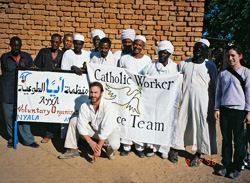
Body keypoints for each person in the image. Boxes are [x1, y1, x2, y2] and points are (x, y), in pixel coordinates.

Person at [171, 39, 217, 166]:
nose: (198, 50)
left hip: (203, 102)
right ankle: (175, 148)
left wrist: (215, 106)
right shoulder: (184, 64)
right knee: (182, 122)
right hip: (185, 100)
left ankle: (198, 153)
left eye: (201, 48)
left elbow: (214, 86)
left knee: (200, 126)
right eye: (196, 47)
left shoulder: (210, 66)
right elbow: (175, 81)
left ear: (206, 50)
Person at [58, 82, 120, 160]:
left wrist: (98, 148)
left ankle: (107, 145)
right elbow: (81, 125)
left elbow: (106, 128)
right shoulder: (84, 106)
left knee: (115, 145)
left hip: (109, 132)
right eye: (91, 92)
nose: (93, 95)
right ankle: (72, 149)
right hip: (95, 131)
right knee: (74, 120)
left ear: (101, 93)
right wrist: (91, 143)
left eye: (96, 93)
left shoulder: (108, 107)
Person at [214, 45, 250, 179]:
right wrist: (217, 108)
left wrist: (248, 112)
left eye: (233, 55)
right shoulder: (223, 73)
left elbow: (249, 94)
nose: (230, 58)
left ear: (240, 56)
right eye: (228, 55)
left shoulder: (246, 73)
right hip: (225, 111)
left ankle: (237, 167)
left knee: (239, 140)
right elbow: (218, 93)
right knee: (226, 139)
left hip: (239, 111)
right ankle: (226, 165)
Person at [140, 40, 178, 159]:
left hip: (166, 103)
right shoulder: (150, 66)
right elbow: (139, 78)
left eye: (165, 53)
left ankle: (164, 148)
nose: (162, 55)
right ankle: (150, 146)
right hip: (151, 102)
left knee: (165, 124)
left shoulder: (174, 68)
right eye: (161, 52)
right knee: (151, 123)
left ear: (169, 54)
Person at [1, 36, 39, 148]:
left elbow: (32, 71)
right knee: (8, 117)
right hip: (8, 91)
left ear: (21, 46)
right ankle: (13, 138)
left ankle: (28, 140)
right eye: (14, 45)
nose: (16, 47)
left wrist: (26, 67)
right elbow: (5, 72)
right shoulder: (4, 57)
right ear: (10, 45)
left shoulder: (26, 57)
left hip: (23, 93)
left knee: (23, 116)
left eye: (18, 45)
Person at [119, 35, 152, 158]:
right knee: (127, 118)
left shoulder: (147, 60)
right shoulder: (124, 58)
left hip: (141, 95)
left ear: (143, 47)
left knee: (139, 121)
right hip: (127, 95)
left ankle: (139, 147)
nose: (137, 47)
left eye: (140, 45)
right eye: (135, 44)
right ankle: (126, 146)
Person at [34, 33, 63, 143]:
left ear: (60, 43)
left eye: (57, 42)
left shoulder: (63, 54)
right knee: (47, 110)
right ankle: (48, 134)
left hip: (59, 87)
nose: (54, 44)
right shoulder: (44, 52)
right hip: (45, 86)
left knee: (57, 110)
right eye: (53, 42)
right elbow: (36, 66)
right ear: (50, 42)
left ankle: (56, 134)